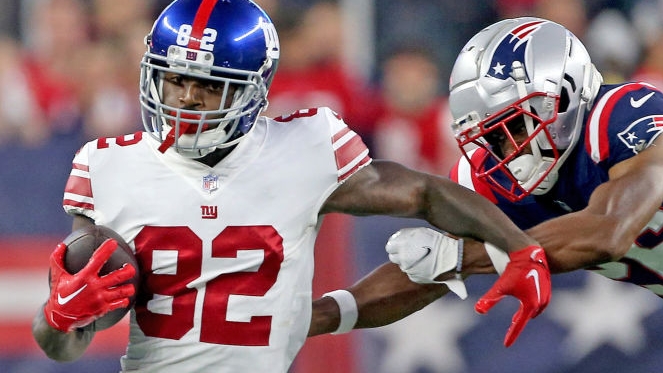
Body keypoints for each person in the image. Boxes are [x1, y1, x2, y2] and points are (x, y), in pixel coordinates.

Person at [30, 3, 551, 372]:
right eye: (174, 79)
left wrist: (522, 248)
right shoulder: (108, 165)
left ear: (253, 89)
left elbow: (424, 192)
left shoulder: (303, 145)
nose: (187, 97)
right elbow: (64, 346)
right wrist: (60, 315)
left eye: (210, 85)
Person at [308, 16, 663, 346]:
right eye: (492, 137)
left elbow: (608, 230)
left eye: (515, 125)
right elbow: (422, 270)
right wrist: (316, 317)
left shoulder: (623, 116)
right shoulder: (488, 176)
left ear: (565, 93)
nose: (506, 151)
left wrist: (463, 256)